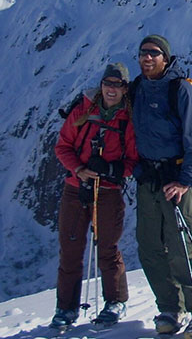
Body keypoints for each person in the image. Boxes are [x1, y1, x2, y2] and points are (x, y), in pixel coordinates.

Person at [131, 34, 192, 339]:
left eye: (154, 53)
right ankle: (170, 308)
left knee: (185, 248)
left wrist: (184, 182)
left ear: (166, 59)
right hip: (149, 182)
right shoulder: (137, 90)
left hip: (177, 181)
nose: (147, 58)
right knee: (150, 248)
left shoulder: (180, 90)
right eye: (143, 53)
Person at [52, 63, 138, 331]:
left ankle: (115, 301)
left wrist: (112, 170)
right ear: (101, 85)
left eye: (117, 85)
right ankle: (66, 307)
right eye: (107, 83)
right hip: (76, 187)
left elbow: (134, 161)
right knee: (71, 249)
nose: (111, 89)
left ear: (125, 89)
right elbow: (63, 145)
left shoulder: (129, 119)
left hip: (108, 191)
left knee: (107, 248)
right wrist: (79, 169)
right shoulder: (84, 109)